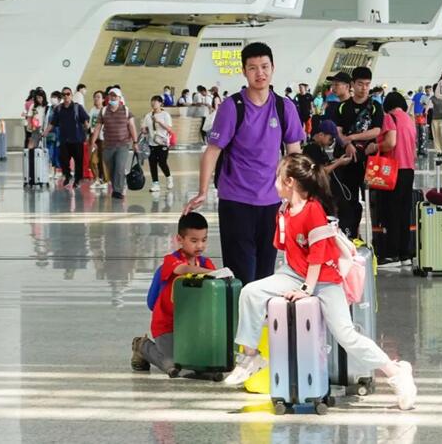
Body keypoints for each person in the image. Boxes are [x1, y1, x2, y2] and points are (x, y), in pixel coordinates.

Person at [223, 153, 417, 411]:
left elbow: (317, 256)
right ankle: (249, 357)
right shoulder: (283, 210)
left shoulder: (314, 210)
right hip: (292, 273)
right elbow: (285, 247)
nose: (275, 182)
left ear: (290, 182)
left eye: (278, 177)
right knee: (250, 292)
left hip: (324, 278)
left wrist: (307, 289)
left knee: (346, 335)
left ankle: (396, 373)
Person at [182, 42, 305, 285]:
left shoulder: (284, 107)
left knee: (265, 275)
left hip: (272, 203)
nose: (260, 73)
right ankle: (241, 322)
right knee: (241, 274)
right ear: (244, 71)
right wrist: (203, 190)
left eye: (264, 67)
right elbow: (212, 151)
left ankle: (261, 323)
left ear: (272, 68)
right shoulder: (232, 107)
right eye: (253, 68)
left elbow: (294, 154)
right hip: (236, 202)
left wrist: (297, 196)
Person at [131, 212, 216, 377]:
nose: (200, 246)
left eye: (204, 240)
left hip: (192, 327)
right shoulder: (172, 260)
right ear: (179, 239)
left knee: (203, 361)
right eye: (194, 241)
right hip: (166, 325)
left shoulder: (206, 263)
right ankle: (142, 346)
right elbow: (182, 269)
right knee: (172, 365)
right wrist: (213, 272)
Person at [365, 91, 416, 266]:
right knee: (404, 212)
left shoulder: (389, 117)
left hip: (392, 170)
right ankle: (405, 253)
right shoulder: (409, 119)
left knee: (390, 211)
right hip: (408, 169)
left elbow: (390, 143)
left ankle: (391, 254)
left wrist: (374, 146)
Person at [333, 66, 384, 239]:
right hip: (347, 161)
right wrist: (346, 143)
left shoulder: (375, 107)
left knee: (373, 200)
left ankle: (376, 238)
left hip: (369, 162)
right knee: (349, 201)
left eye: (367, 84)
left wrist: (352, 137)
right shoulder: (342, 108)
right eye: (360, 84)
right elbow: (338, 131)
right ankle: (351, 235)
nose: (364, 88)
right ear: (352, 84)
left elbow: (376, 131)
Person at [90, 87, 140, 199]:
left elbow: (132, 126)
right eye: (111, 96)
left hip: (123, 144)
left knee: (119, 166)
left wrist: (135, 142)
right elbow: (97, 127)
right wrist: (93, 141)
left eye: (115, 96)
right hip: (108, 145)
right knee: (111, 168)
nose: (112, 98)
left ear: (119, 98)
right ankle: (117, 185)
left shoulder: (126, 110)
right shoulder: (103, 111)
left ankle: (118, 190)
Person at [42, 86, 90, 188]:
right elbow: (53, 123)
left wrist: (87, 128)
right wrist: (46, 132)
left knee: (78, 162)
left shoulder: (78, 107)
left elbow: (85, 120)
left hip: (77, 140)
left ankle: (77, 180)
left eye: (68, 94)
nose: (66, 96)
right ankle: (67, 176)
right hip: (64, 140)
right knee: (63, 160)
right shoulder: (59, 109)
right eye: (64, 94)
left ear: (71, 95)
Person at [142, 95, 175, 193]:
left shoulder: (165, 115)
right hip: (151, 143)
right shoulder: (148, 116)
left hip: (163, 143)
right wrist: (144, 129)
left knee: (162, 162)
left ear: (160, 103)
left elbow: (169, 129)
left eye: (155, 101)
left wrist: (159, 122)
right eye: (152, 101)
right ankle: (155, 183)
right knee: (152, 163)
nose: (153, 103)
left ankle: (169, 178)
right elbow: (144, 129)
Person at [88, 90, 108, 190]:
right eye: (95, 97)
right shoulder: (92, 110)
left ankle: (105, 180)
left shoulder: (105, 110)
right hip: (93, 139)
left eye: (98, 97)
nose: (96, 99)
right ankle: (96, 179)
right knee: (92, 160)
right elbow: (90, 124)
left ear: (103, 99)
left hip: (103, 139)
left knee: (103, 161)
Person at [430, 83, 442, 155]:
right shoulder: (432, 98)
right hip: (434, 119)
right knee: (436, 135)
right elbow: (427, 106)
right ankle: (439, 151)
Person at [412, 86, 428, 157]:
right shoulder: (424, 96)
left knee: (417, 132)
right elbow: (425, 106)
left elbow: (412, 104)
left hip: (416, 115)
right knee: (422, 133)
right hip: (421, 115)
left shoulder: (415, 95)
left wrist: (410, 112)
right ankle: (422, 149)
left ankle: (418, 150)